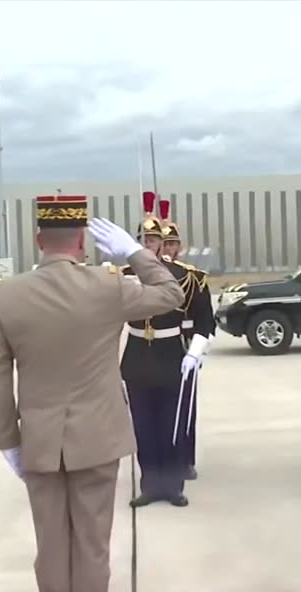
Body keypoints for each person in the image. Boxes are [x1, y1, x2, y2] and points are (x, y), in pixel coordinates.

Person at [0, 194, 184, 592]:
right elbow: (173, 295)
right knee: (91, 547)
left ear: (38, 240)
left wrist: (6, 439)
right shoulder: (107, 285)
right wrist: (136, 251)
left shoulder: (7, 296)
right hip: (97, 438)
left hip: (39, 440)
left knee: (51, 548)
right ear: (82, 240)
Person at [121, 194, 211, 508]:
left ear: (163, 243)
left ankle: (173, 484)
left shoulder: (185, 277)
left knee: (171, 423)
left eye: (154, 239)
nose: (149, 244)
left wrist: (194, 353)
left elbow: (205, 320)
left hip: (172, 352)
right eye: (144, 239)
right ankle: (150, 484)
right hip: (136, 355)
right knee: (143, 425)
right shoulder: (122, 277)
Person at [156, 199, 216, 483]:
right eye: (162, 243)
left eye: (171, 244)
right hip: (154, 348)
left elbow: (205, 319)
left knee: (184, 408)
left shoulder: (191, 277)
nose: (167, 249)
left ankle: (185, 460)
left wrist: (196, 350)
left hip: (184, 346)